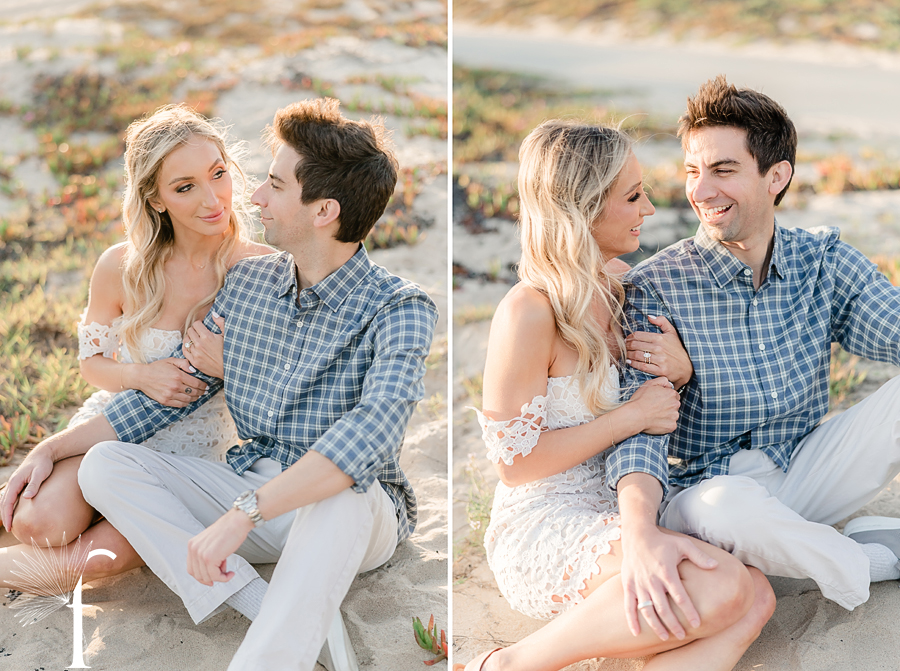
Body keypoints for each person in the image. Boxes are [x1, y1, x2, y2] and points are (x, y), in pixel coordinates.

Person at [1, 97, 437, 671]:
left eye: (275, 185)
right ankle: (258, 603)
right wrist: (55, 447)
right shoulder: (249, 283)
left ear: (324, 210)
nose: (252, 197)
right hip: (247, 489)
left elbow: (368, 436)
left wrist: (245, 513)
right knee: (107, 462)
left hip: (350, 511)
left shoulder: (399, 306)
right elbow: (173, 394)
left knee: (341, 492)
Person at [456, 120, 774, 671]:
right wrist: (629, 417)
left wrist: (682, 368)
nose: (649, 209)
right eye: (632, 196)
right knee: (724, 588)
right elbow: (515, 465)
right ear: (583, 209)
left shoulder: (623, 286)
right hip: (545, 522)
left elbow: (671, 393)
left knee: (759, 597)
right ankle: (511, 663)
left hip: (621, 501)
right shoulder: (528, 310)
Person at [614, 74, 900, 614]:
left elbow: (893, 326)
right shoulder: (655, 287)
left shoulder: (822, 261)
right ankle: (870, 560)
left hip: (806, 469)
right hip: (707, 495)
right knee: (730, 511)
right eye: (693, 172)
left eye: (723, 170)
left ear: (776, 176)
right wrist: (638, 531)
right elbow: (639, 432)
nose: (700, 191)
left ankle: (805, 543)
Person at [0, 104, 270, 587]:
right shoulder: (121, 266)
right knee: (36, 524)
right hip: (110, 430)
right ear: (156, 199)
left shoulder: (260, 270)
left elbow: (280, 385)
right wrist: (139, 375)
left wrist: (228, 366)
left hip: (193, 458)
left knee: (101, 560)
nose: (213, 199)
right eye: (185, 187)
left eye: (218, 174)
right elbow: (92, 365)